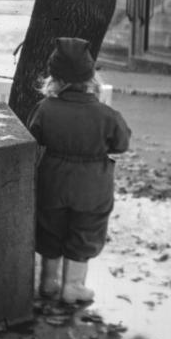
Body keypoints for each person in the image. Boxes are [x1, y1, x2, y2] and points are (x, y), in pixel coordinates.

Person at [29, 37, 131, 303]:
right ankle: (73, 287)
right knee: (85, 232)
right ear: (91, 79)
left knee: (50, 230)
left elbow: (35, 135)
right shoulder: (106, 115)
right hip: (92, 186)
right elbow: (121, 144)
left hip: (53, 180)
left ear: (54, 79)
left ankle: (49, 284)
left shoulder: (45, 108)